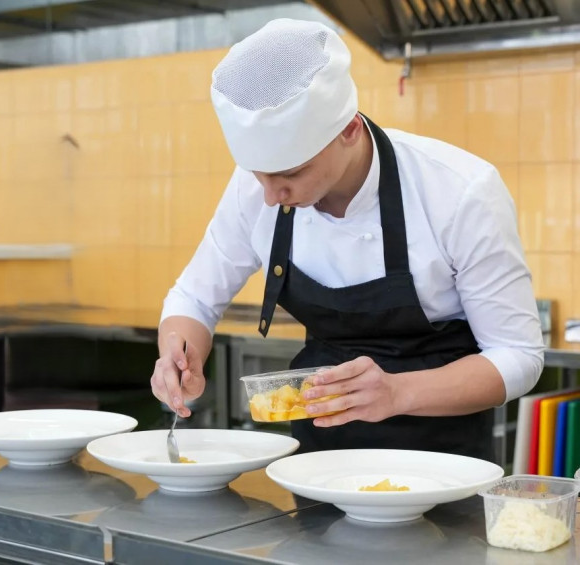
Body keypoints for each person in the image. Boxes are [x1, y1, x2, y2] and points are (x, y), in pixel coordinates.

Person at [150, 18, 544, 460]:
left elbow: (518, 356)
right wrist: (178, 354)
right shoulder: (256, 190)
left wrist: (396, 392)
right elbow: (194, 298)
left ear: (350, 130)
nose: (270, 196)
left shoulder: (459, 191)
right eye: (258, 175)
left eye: (291, 173)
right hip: (317, 463)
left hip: (443, 462)